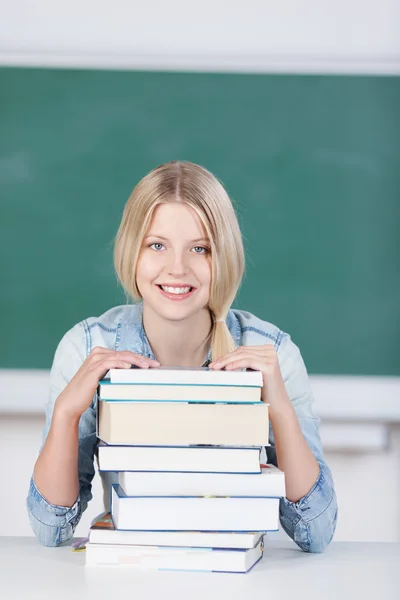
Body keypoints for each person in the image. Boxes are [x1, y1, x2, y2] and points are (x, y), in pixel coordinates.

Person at [27, 161, 337, 551]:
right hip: (133, 574)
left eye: (200, 249)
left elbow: (316, 532)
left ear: (223, 256)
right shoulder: (87, 347)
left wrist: (280, 411)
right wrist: (66, 414)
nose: (177, 268)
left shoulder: (272, 354)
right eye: (157, 245)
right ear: (132, 252)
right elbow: (51, 528)